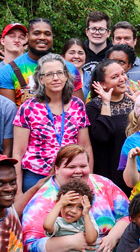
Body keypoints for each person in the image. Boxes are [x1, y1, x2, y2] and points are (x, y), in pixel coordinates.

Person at [12, 53, 91, 191]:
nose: (55, 78)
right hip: (36, 177)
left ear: (66, 76)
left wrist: (88, 180)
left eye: (59, 73)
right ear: (41, 79)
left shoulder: (77, 105)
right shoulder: (28, 107)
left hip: (72, 175)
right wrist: (18, 191)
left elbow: (85, 146)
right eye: (49, 74)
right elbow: (18, 152)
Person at [0, 18, 82, 104]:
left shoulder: (69, 69)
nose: (42, 37)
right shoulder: (8, 71)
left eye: (47, 34)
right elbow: (7, 114)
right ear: (27, 37)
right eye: (36, 33)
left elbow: (79, 111)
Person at [85, 59, 136, 191]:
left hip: (134, 170)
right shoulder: (92, 106)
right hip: (107, 172)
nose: (122, 79)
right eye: (115, 77)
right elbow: (102, 136)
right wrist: (106, 103)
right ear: (102, 84)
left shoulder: (133, 101)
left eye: (123, 73)